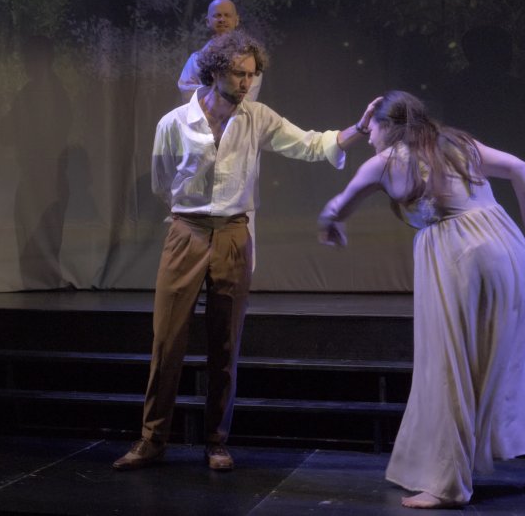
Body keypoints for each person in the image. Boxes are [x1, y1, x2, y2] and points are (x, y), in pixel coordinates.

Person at [113, 30, 375, 472]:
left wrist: (360, 129)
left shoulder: (257, 117)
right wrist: (188, 219)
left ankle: (216, 441)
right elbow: (162, 183)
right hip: (187, 231)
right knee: (167, 341)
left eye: (252, 75)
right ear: (215, 71)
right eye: (239, 74)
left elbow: (311, 144)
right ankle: (152, 439)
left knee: (225, 344)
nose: (246, 83)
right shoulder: (174, 123)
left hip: (234, 233)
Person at [317, 91, 525, 508]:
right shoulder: (455, 143)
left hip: (460, 253)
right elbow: (519, 168)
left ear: (387, 126)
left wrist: (331, 223)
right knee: (511, 353)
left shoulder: (384, 162)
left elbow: (337, 206)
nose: (370, 138)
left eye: (372, 128)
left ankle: (448, 484)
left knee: (449, 363)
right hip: (508, 245)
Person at [178, 0, 262, 103]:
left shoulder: (249, 59)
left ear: (236, 20)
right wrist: (224, 91)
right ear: (207, 21)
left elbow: (247, 98)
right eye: (217, 15)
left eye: (227, 15)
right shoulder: (195, 59)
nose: (222, 19)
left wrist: (211, 91)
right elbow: (187, 94)